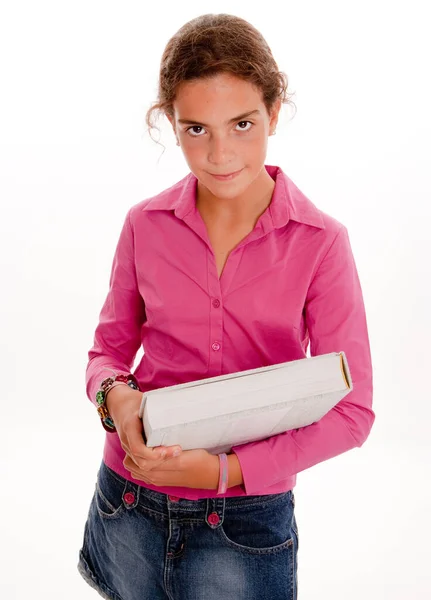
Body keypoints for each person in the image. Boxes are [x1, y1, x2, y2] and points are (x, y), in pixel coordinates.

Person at [77, 13, 375, 600]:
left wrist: (222, 472)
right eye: (195, 129)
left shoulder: (321, 243)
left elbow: (353, 412)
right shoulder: (144, 224)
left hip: (243, 521)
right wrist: (116, 396)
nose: (219, 154)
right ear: (169, 120)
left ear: (275, 108)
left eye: (241, 123)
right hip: (128, 500)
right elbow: (106, 352)